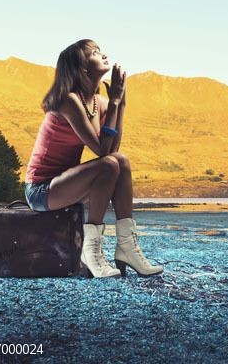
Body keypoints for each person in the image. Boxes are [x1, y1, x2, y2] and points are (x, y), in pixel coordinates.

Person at [24, 39, 163, 278]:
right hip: (42, 190)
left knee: (121, 161)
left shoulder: (100, 104)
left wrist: (121, 103)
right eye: (95, 52)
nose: (104, 54)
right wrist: (117, 101)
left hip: (67, 186)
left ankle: (126, 247)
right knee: (110, 163)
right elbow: (101, 151)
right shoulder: (69, 101)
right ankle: (90, 250)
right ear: (82, 67)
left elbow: (113, 149)